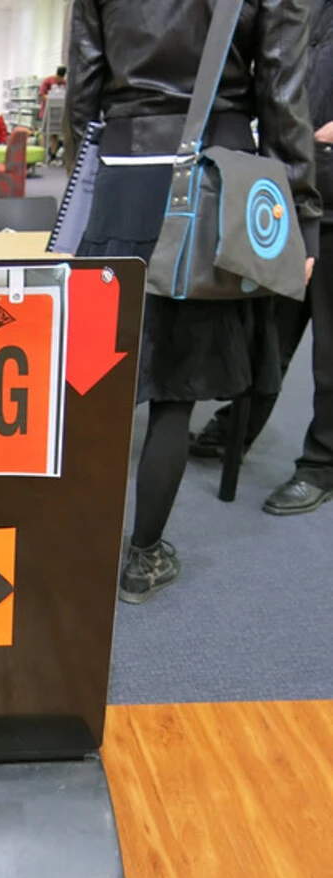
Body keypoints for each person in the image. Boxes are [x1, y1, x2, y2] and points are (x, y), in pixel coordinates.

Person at [65, 0, 320, 603]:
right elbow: (283, 96)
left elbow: (83, 93)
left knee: (91, 376)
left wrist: (108, 170)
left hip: (123, 175)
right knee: (175, 392)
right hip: (212, 181)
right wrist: (302, 215)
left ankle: (74, 546)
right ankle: (143, 557)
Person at [190, 0, 333, 519]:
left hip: (326, 186)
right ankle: (238, 425)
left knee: (329, 351)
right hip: (289, 188)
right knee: (268, 328)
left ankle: (321, 464)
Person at [39, 65, 67, 160]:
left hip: (59, 112)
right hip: (47, 111)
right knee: (45, 134)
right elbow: (42, 95)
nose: (60, 80)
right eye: (59, 78)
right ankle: (42, 155)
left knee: (55, 134)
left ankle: (53, 155)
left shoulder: (64, 82)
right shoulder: (48, 81)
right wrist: (52, 98)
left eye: (62, 78)